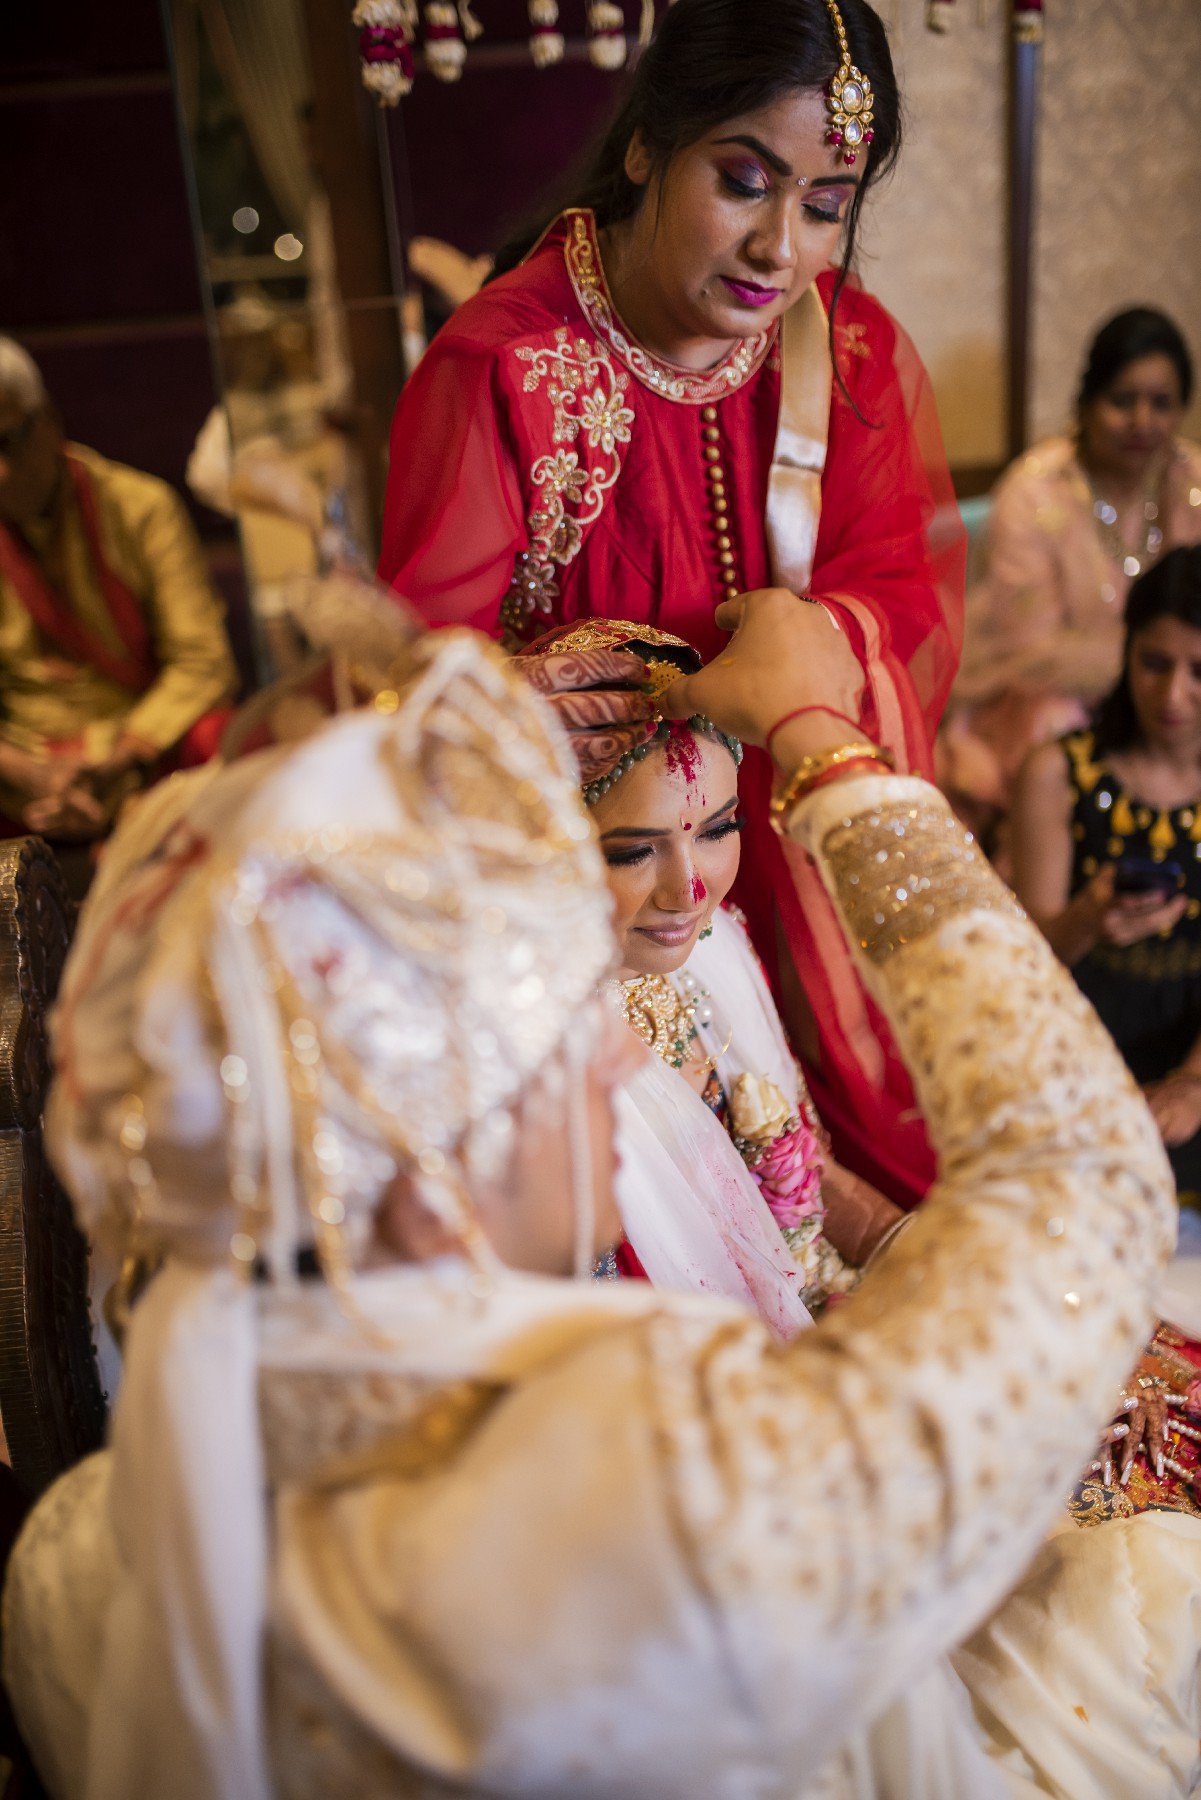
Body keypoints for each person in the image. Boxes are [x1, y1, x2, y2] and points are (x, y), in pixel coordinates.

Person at [3, 591, 1177, 1798]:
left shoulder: (82, 1555)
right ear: (422, 1198)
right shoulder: (680, 1486)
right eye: (561, 1045)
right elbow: (1084, 1180)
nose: (621, 1057)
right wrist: (827, 740)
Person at [377, 0, 965, 1207]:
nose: (779, 251)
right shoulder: (511, 368)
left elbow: (902, 596)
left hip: (793, 854)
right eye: (744, 181)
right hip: (589, 906)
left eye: (823, 203)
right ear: (647, 142)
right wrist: (515, 705)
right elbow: (407, 689)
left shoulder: (842, 357)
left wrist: (822, 640)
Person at [520, 618, 905, 1325]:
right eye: (633, 852)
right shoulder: (533, 1065)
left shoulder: (716, 949)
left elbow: (800, 1173)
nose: (690, 893)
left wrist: (909, 1247)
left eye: (718, 830)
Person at [944, 308, 1201, 846]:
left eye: (1162, 403)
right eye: (1122, 400)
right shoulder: (1036, 494)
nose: (1142, 422)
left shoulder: (1191, 481)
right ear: (1086, 403)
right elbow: (1035, 655)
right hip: (1036, 695)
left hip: (1169, 680)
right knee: (1055, 727)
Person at [1012, 546, 1201, 1197]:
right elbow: (1024, 967)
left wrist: (1191, 1084)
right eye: (1153, 663)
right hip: (1080, 1051)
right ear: (1125, 653)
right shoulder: (1059, 773)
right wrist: (1086, 920)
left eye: (1197, 670)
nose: (1171, 693)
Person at [0, 337, 237, 840]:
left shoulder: (140, 507)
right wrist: (31, 774)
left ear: (48, 423)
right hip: (21, 772)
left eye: (7, 445)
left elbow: (205, 663)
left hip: (140, 751)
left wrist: (122, 760)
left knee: (218, 738)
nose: (0, 475)